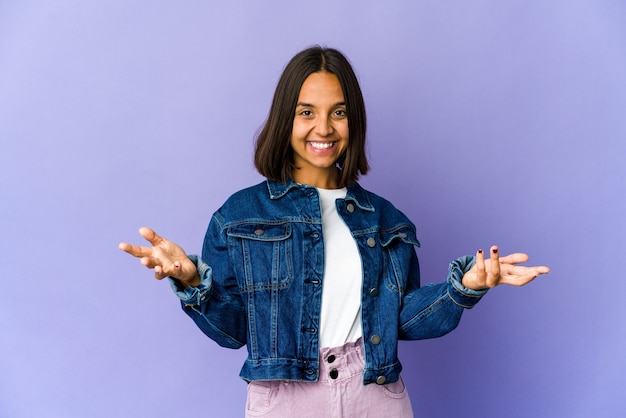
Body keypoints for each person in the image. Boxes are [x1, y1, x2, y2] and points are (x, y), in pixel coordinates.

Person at [119, 46, 550, 417]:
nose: (323, 128)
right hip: (284, 399)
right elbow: (233, 333)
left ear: (353, 121)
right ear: (285, 119)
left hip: (375, 395)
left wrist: (466, 286)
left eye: (338, 113)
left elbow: (403, 320)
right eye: (307, 112)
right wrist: (193, 280)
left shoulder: (386, 220)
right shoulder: (240, 215)